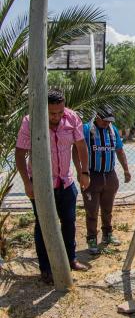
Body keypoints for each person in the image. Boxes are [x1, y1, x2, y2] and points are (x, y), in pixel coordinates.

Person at [14, 89, 89, 284]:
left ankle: (70, 259)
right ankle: (46, 269)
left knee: (70, 222)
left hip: (66, 182)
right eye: (51, 113)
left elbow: (81, 146)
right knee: (43, 225)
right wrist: (27, 183)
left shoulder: (72, 118)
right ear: (43, 109)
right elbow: (20, 154)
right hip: (40, 185)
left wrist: (84, 172)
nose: (56, 117)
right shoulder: (30, 121)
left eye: (59, 112)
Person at [75, 105, 131, 255]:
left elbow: (119, 150)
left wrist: (126, 170)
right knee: (92, 210)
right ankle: (92, 238)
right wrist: (81, 172)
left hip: (110, 175)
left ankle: (107, 235)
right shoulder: (86, 129)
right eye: (105, 120)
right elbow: (76, 150)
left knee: (108, 209)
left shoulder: (112, 130)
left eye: (110, 120)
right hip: (92, 176)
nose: (107, 123)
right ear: (97, 117)